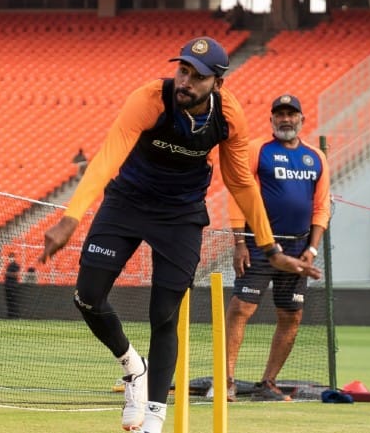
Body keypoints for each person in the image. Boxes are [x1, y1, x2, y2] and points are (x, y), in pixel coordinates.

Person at [40, 36, 321, 433]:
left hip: (181, 214)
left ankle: (154, 416)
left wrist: (269, 247)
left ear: (217, 83)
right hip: (128, 202)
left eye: (198, 76)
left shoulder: (229, 115)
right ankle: (133, 368)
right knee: (87, 295)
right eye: (183, 70)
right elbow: (108, 156)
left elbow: (241, 183)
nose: (186, 80)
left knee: (163, 315)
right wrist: (71, 218)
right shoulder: (151, 98)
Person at [225, 94, 331, 402]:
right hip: (259, 243)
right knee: (240, 309)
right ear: (271, 119)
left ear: (302, 119)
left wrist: (311, 249)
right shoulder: (258, 149)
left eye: (291, 114)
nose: (286, 119)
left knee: (291, 315)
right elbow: (238, 193)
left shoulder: (316, 158)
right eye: (280, 114)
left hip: (298, 247)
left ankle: (267, 383)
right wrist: (239, 242)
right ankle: (228, 380)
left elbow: (321, 207)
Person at [4, 251, 21, 319]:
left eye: (11, 257)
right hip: (7, 286)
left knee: (14, 301)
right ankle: (10, 316)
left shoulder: (16, 265)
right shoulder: (8, 266)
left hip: (13, 286)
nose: (10, 258)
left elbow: (16, 274)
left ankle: (15, 316)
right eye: (9, 257)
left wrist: (7, 274)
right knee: (9, 302)